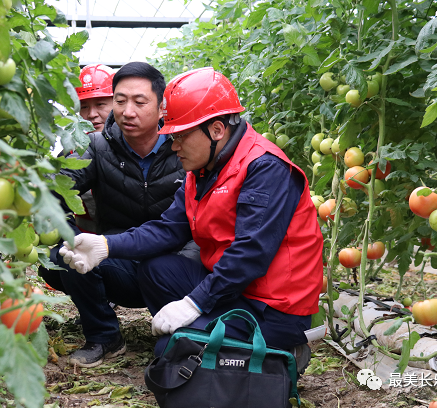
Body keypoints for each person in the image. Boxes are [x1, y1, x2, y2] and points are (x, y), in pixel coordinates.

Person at [58, 67, 324, 363]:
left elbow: (251, 253)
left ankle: (281, 350)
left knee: (170, 352)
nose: (173, 146)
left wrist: (194, 304)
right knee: (156, 270)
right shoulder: (202, 169)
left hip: (273, 307)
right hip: (234, 291)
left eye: (182, 136)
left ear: (217, 130)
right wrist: (105, 246)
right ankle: (215, 336)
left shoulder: (265, 168)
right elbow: (167, 229)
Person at [39, 62, 187, 367]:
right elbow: (55, 189)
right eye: (120, 101)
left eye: (139, 102)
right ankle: (104, 335)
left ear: (162, 108)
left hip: (174, 268)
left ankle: (191, 326)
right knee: (66, 253)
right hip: (118, 261)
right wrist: (68, 232)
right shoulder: (96, 147)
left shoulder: (184, 147)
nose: (127, 111)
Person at [73, 64, 116, 233]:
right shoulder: (73, 153)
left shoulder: (135, 146)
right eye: (84, 106)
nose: (91, 114)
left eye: (100, 104)